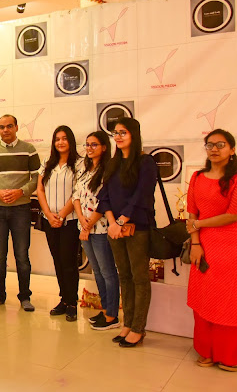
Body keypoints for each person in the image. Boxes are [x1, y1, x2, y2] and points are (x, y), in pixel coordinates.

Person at [185, 129, 237, 372]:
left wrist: (199, 225)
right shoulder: (197, 177)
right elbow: (191, 212)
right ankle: (207, 351)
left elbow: (234, 214)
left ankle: (231, 355)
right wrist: (195, 243)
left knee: (228, 301)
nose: (214, 149)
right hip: (203, 246)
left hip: (232, 245)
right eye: (210, 144)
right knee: (204, 298)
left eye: (221, 144)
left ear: (232, 150)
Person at [97, 117, 156, 347]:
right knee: (124, 276)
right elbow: (105, 197)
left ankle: (139, 328)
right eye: (116, 133)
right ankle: (128, 323)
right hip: (114, 229)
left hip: (137, 228)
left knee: (139, 278)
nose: (118, 136)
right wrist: (112, 222)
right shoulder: (112, 163)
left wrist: (122, 221)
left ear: (134, 134)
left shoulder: (145, 162)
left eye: (123, 132)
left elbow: (141, 195)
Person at [0, 114, 41, 311]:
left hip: (21, 209)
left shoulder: (29, 150)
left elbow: (37, 178)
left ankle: (25, 297)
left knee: (22, 255)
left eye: (9, 126)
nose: (5, 130)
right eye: (1, 127)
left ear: (16, 127)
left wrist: (20, 192)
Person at [73, 131, 120, 330]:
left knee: (108, 272)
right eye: (87, 145)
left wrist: (89, 224)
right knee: (98, 273)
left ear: (104, 147)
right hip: (84, 227)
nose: (89, 148)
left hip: (100, 228)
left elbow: (104, 201)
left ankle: (112, 315)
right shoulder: (84, 169)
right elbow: (76, 196)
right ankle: (105, 310)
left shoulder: (109, 170)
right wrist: (83, 222)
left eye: (94, 145)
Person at [36, 125, 81, 321]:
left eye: (64, 138)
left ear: (70, 141)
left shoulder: (80, 164)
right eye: (57, 139)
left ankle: (72, 303)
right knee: (57, 260)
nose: (60, 142)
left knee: (69, 262)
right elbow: (40, 190)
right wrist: (48, 214)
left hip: (69, 221)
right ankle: (63, 299)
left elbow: (77, 193)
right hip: (49, 221)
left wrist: (61, 215)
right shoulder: (47, 162)